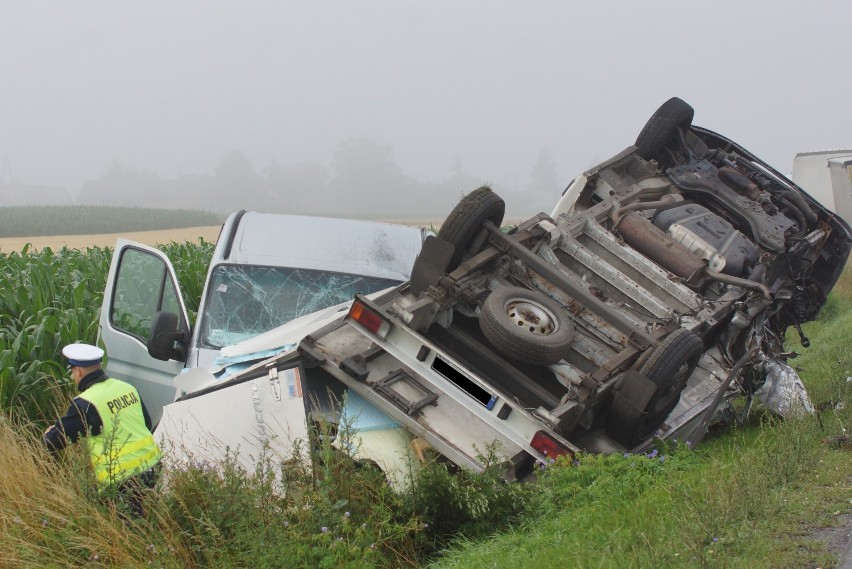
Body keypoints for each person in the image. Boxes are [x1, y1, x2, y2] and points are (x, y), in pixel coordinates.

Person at [44, 343, 162, 518]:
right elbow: (146, 422)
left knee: (128, 531)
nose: (72, 376)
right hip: (152, 467)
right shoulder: (127, 388)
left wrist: (48, 433)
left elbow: (55, 440)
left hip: (122, 479)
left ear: (79, 372)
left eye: (72, 372)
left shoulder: (87, 402)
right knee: (146, 520)